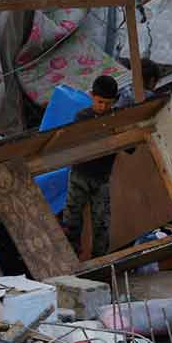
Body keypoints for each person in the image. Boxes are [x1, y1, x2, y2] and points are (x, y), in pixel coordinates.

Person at [63, 75, 120, 257]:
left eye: (108, 103)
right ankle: (72, 257)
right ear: (91, 96)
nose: (103, 107)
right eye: (100, 102)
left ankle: (100, 261)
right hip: (79, 175)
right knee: (72, 219)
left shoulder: (118, 118)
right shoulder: (82, 117)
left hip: (101, 179)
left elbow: (130, 146)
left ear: (115, 101)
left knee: (101, 223)